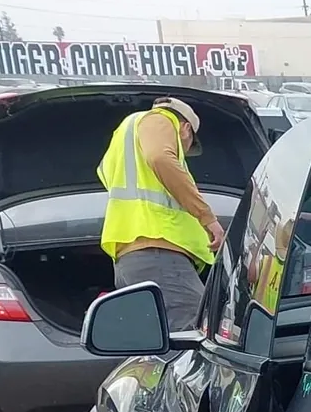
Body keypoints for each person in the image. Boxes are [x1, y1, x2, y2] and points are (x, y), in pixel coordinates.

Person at [97, 96, 226, 332]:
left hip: (130, 258)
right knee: (192, 334)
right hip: (159, 254)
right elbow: (160, 157)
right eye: (188, 145)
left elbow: (104, 173)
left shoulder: (124, 135)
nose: (183, 152)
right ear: (186, 129)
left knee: (160, 338)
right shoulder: (160, 120)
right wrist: (208, 219)